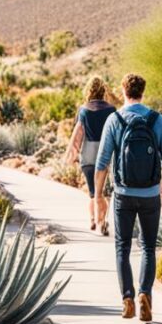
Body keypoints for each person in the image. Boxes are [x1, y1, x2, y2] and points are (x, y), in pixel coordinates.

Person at [93, 73, 162, 322]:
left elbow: (102, 161)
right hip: (151, 194)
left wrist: (98, 195)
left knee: (122, 247)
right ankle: (145, 295)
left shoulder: (115, 119)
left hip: (122, 195)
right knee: (149, 247)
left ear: (123, 91)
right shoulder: (158, 120)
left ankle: (127, 299)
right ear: (143, 91)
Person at [63, 76, 116, 234]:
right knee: (103, 192)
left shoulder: (83, 110)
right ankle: (103, 221)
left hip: (87, 155)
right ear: (103, 91)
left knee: (93, 193)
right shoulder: (111, 110)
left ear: (89, 91)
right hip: (105, 155)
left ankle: (93, 219)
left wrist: (72, 155)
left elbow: (78, 134)